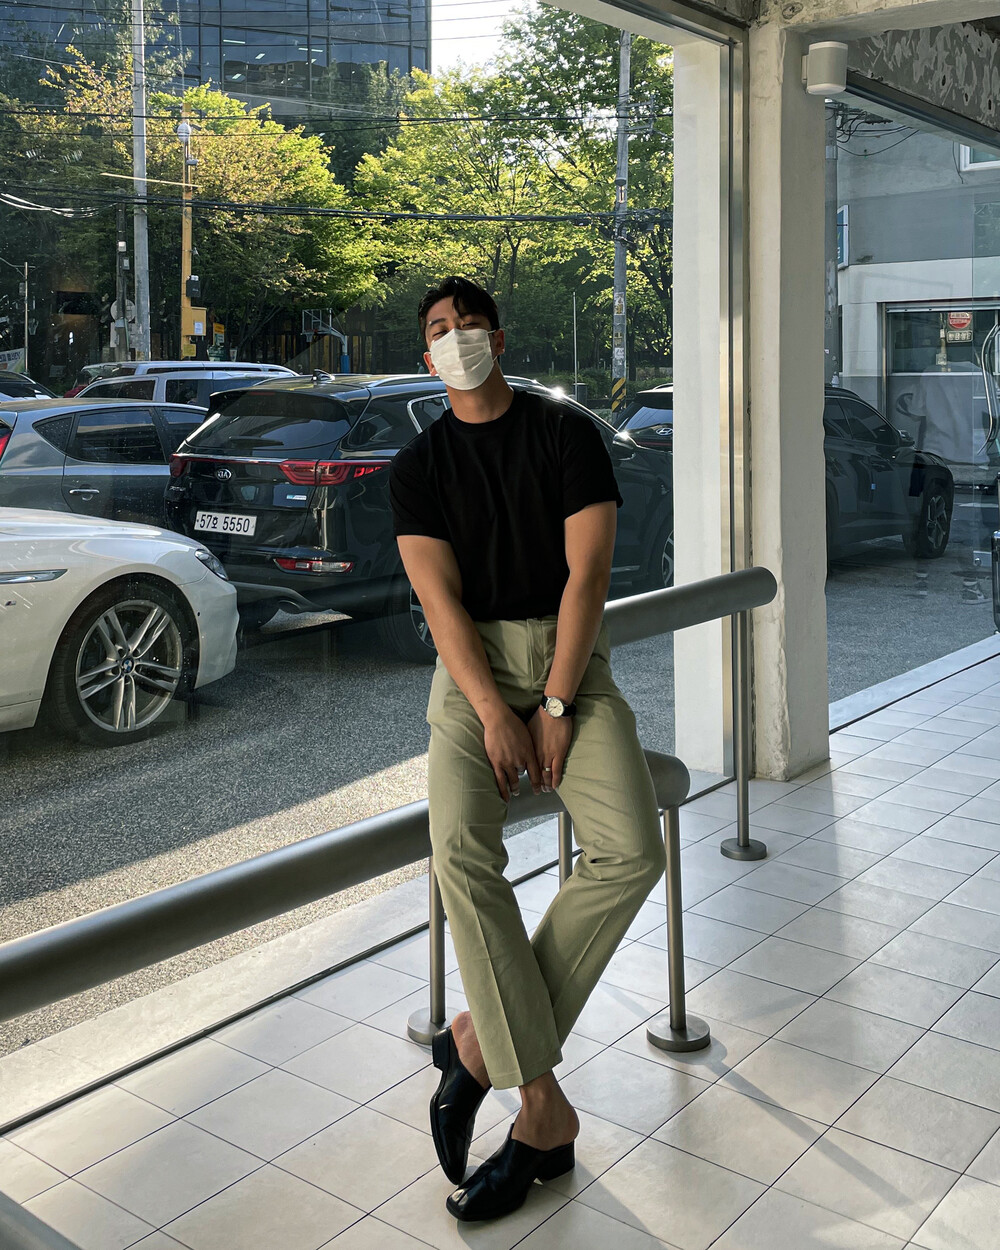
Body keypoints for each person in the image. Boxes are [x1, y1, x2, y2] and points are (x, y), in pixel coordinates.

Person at [389, 276, 665, 1223]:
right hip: (469, 672)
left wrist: (551, 702)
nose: (456, 337)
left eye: (469, 323)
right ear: (427, 355)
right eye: (439, 329)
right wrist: (494, 711)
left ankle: (476, 1044)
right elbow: (439, 603)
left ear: (498, 339)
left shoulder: (566, 433)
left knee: (632, 850)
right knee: (462, 852)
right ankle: (541, 1108)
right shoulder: (418, 466)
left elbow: (589, 575)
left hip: (567, 660)